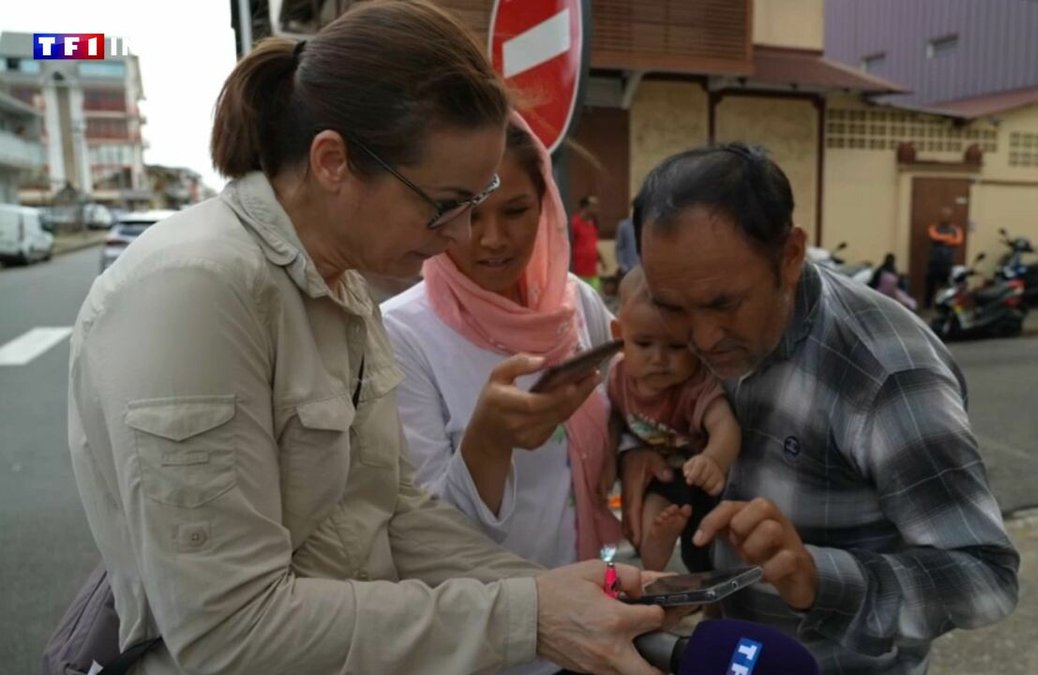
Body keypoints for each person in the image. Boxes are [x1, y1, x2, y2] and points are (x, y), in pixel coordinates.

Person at [65, 4, 665, 674]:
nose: (463, 237)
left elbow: (391, 514)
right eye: (445, 205)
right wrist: (530, 616)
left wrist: (558, 594)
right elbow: (231, 629)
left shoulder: (341, 288)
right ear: (332, 162)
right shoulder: (196, 290)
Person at [622, 143, 1019, 674]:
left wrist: (819, 579)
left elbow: (985, 578)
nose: (702, 338)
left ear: (789, 257)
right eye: (673, 308)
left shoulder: (886, 376)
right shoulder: (689, 342)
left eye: (724, 304)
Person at [381, 118, 623, 675]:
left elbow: (624, 418)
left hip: (591, 616)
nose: (490, 239)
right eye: (466, 213)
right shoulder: (400, 334)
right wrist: (487, 446)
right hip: (489, 645)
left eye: (515, 211)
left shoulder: (574, 305)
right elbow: (420, 539)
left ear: (548, 205)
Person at [607, 267, 740, 572]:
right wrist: (608, 460)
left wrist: (714, 460)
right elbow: (613, 417)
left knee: (704, 551)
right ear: (619, 335)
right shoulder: (618, 376)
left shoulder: (694, 384)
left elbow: (725, 425)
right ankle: (655, 549)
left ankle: (709, 593)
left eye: (676, 346)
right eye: (643, 344)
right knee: (652, 511)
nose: (659, 359)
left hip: (705, 476)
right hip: (666, 473)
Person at [925, 206, 963, 308]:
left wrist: (943, 239)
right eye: (943, 215)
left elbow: (958, 240)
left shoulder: (956, 229)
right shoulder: (933, 228)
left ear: (950, 216)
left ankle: (942, 307)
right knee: (930, 287)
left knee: (945, 287)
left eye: (947, 215)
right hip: (935, 262)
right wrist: (949, 238)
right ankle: (927, 307)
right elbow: (934, 236)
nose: (945, 217)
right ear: (939, 216)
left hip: (948, 263)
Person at [571, 194, 606, 289]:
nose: (596, 209)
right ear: (585, 207)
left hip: (592, 270)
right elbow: (570, 244)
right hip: (579, 270)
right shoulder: (575, 223)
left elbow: (592, 244)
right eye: (593, 206)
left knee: (595, 295)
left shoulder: (593, 223)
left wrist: (601, 259)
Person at [615, 205, 640, 277]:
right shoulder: (624, 226)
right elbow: (619, 248)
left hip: (643, 269)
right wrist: (623, 267)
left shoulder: (645, 226)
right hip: (629, 269)